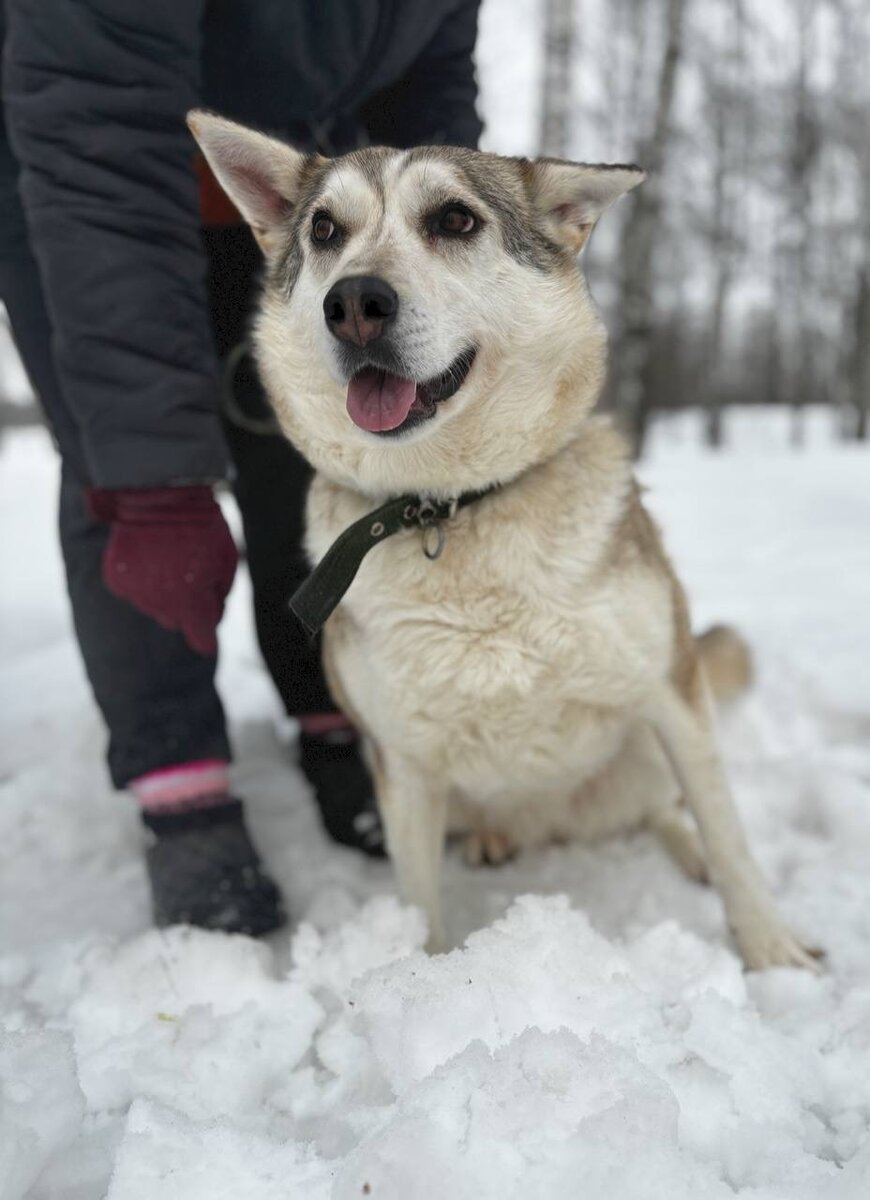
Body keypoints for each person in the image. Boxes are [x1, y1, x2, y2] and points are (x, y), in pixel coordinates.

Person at [1, 1, 483, 935]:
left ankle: (331, 709)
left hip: (290, 191)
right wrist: (154, 484)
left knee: (307, 450)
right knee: (125, 467)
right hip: (76, 171)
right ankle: (179, 783)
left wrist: (451, 261)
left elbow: (431, 101)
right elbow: (98, 132)